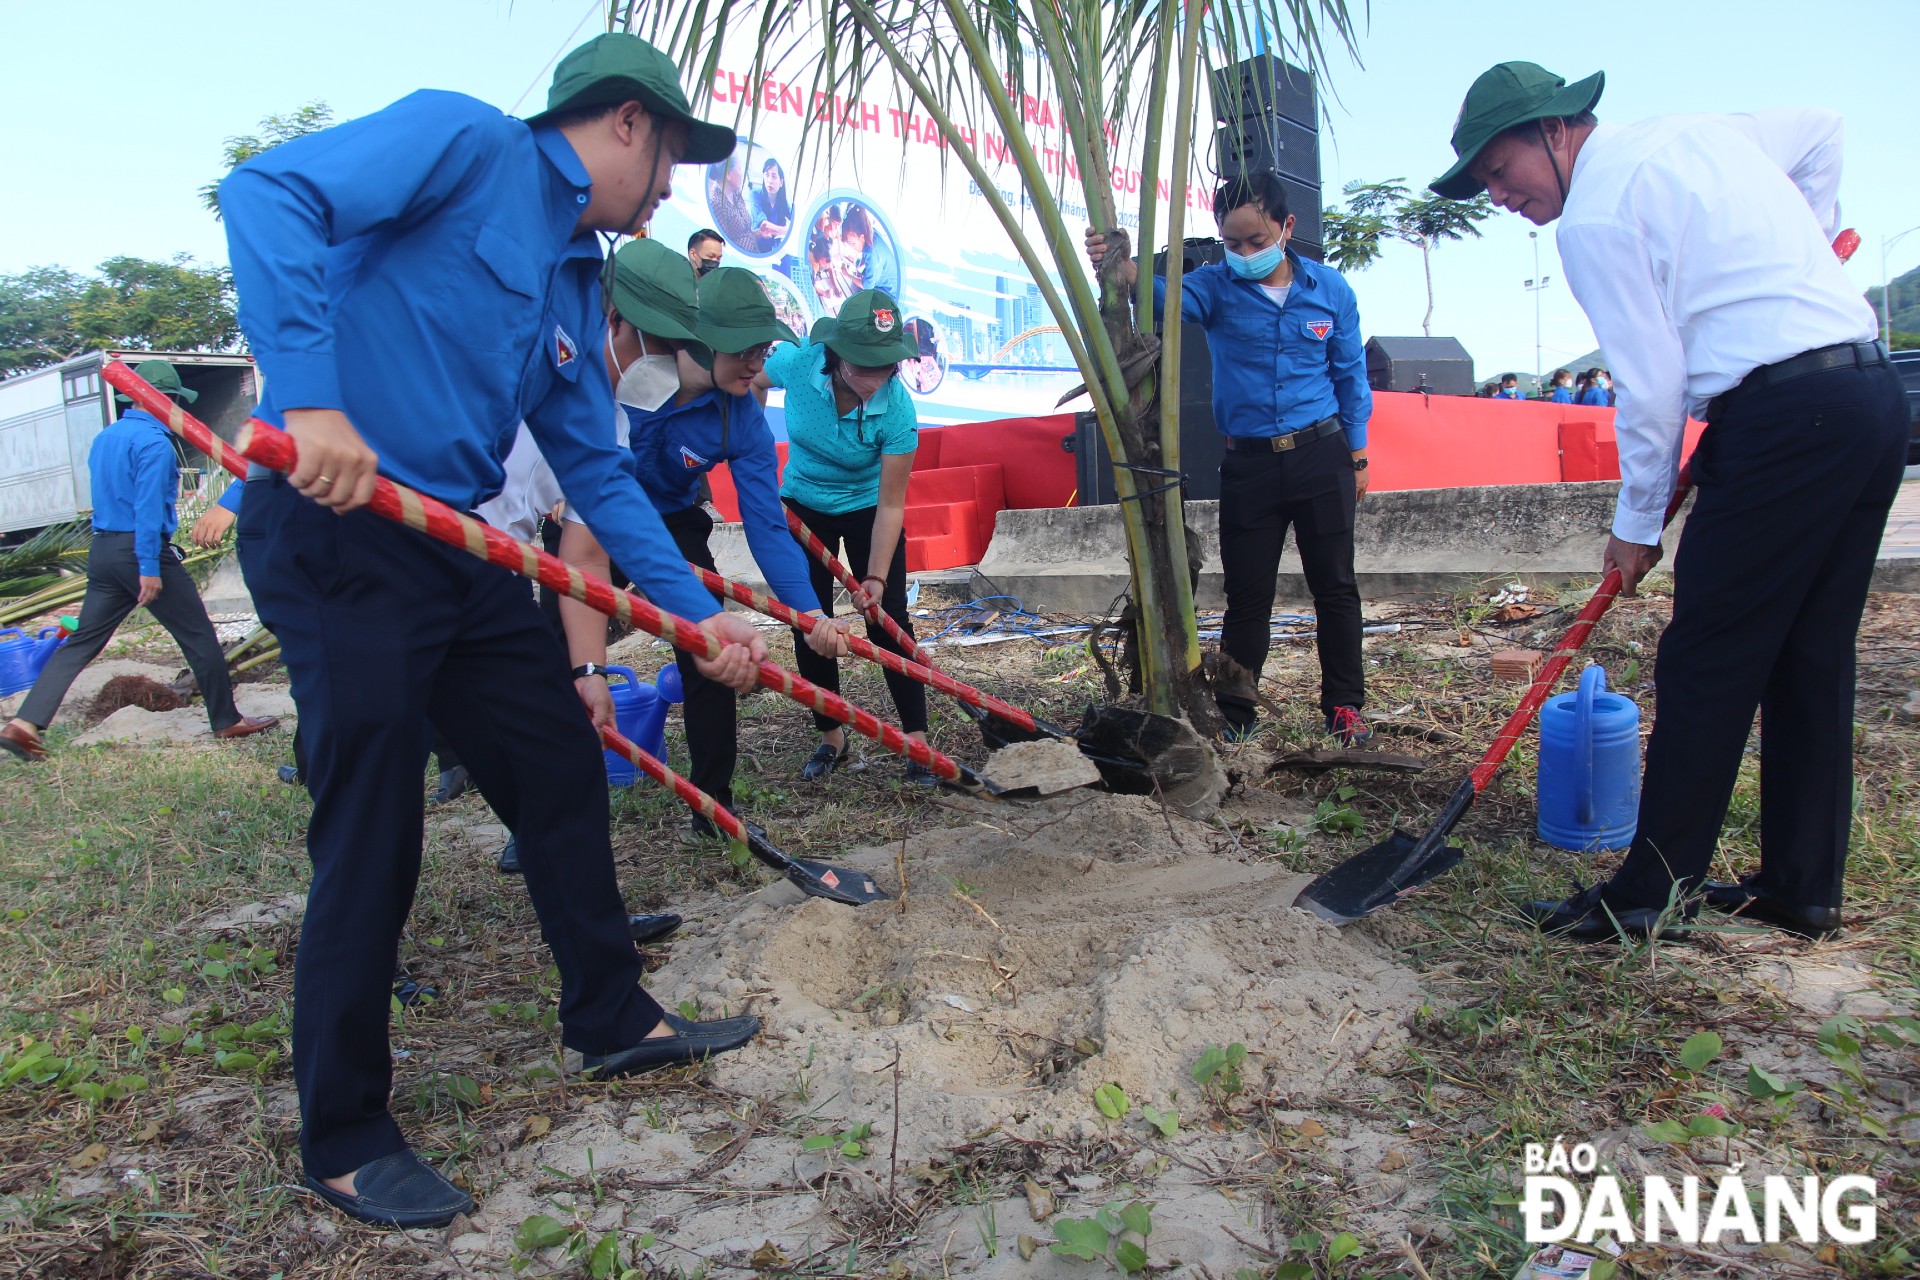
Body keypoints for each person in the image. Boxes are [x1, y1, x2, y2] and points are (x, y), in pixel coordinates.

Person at [218, 33, 776, 1229]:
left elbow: (597, 467)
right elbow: (268, 190)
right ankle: (348, 1133)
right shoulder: (465, 141)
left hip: (457, 547)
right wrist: (307, 394)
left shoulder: (579, 275)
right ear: (625, 121)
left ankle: (612, 1016)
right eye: (672, 153)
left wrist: (700, 612)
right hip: (339, 527)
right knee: (376, 816)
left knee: (557, 759)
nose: (672, 187)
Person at [1431, 61, 1904, 941]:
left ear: (1557, 130)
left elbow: (1649, 390)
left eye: (1500, 170)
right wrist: (1809, 240)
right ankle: (1803, 887)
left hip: (1785, 416)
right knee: (1809, 651)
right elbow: (1821, 124)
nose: (1497, 195)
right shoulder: (1703, 133)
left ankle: (1648, 894)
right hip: (1866, 400)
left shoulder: (1598, 216)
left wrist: (1635, 526)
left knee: (1706, 661)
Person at [553, 249, 851, 837]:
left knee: (708, 652)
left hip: (670, 522)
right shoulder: (620, 379)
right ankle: (545, 812)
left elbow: (766, 524)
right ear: (702, 337)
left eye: (763, 352)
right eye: (745, 350)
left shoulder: (737, 417)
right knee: (557, 655)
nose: (755, 366)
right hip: (585, 520)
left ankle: (712, 802)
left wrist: (809, 611)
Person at [1083, 172, 1375, 747]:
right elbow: (1158, 295)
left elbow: (1350, 372)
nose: (1244, 254)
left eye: (1257, 241)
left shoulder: (1331, 291)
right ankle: (1238, 714)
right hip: (1250, 466)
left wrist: (1358, 455)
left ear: (1288, 228)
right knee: (1248, 594)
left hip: (1323, 455)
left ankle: (1344, 707)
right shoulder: (1213, 288)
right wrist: (1120, 262)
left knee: (1335, 586)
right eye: (1232, 244)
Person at [0, 360, 278, 761]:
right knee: (200, 639)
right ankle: (226, 719)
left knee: (80, 643)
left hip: (103, 551)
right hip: (141, 552)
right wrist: (149, 566)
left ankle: (24, 724)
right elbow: (147, 511)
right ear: (165, 400)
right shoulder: (155, 444)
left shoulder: (106, 438)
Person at [757, 289, 930, 782]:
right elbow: (751, 382)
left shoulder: (897, 409)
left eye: (887, 365)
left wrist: (874, 576)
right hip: (803, 504)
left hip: (867, 507)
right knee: (810, 621)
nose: (877, 377)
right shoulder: (798, 365)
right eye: (864, 364)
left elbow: (892, 504)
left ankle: (915, 738)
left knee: (888, 615)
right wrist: (750, 441)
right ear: (834, 356)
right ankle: (831, 734)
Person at [837, 204, 899, 300]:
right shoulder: (870, 232)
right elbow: (864, 258)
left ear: (862, 237)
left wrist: (847, 274)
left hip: (890, 291)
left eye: (852, 243)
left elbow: (867, 286)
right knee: (858, 265)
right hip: (888, 278)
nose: (852, 247)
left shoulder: (873, 254)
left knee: (858, 295)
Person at [747, 157, 792, 253]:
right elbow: (763, 223)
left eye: (774, 176)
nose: (769, 180)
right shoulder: (755, 194)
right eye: (766, 175)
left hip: (773, 251)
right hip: (754, 249)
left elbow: (795, 224)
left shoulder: (783, 202)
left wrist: (783, 230)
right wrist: (785, 230)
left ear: (781, 182)